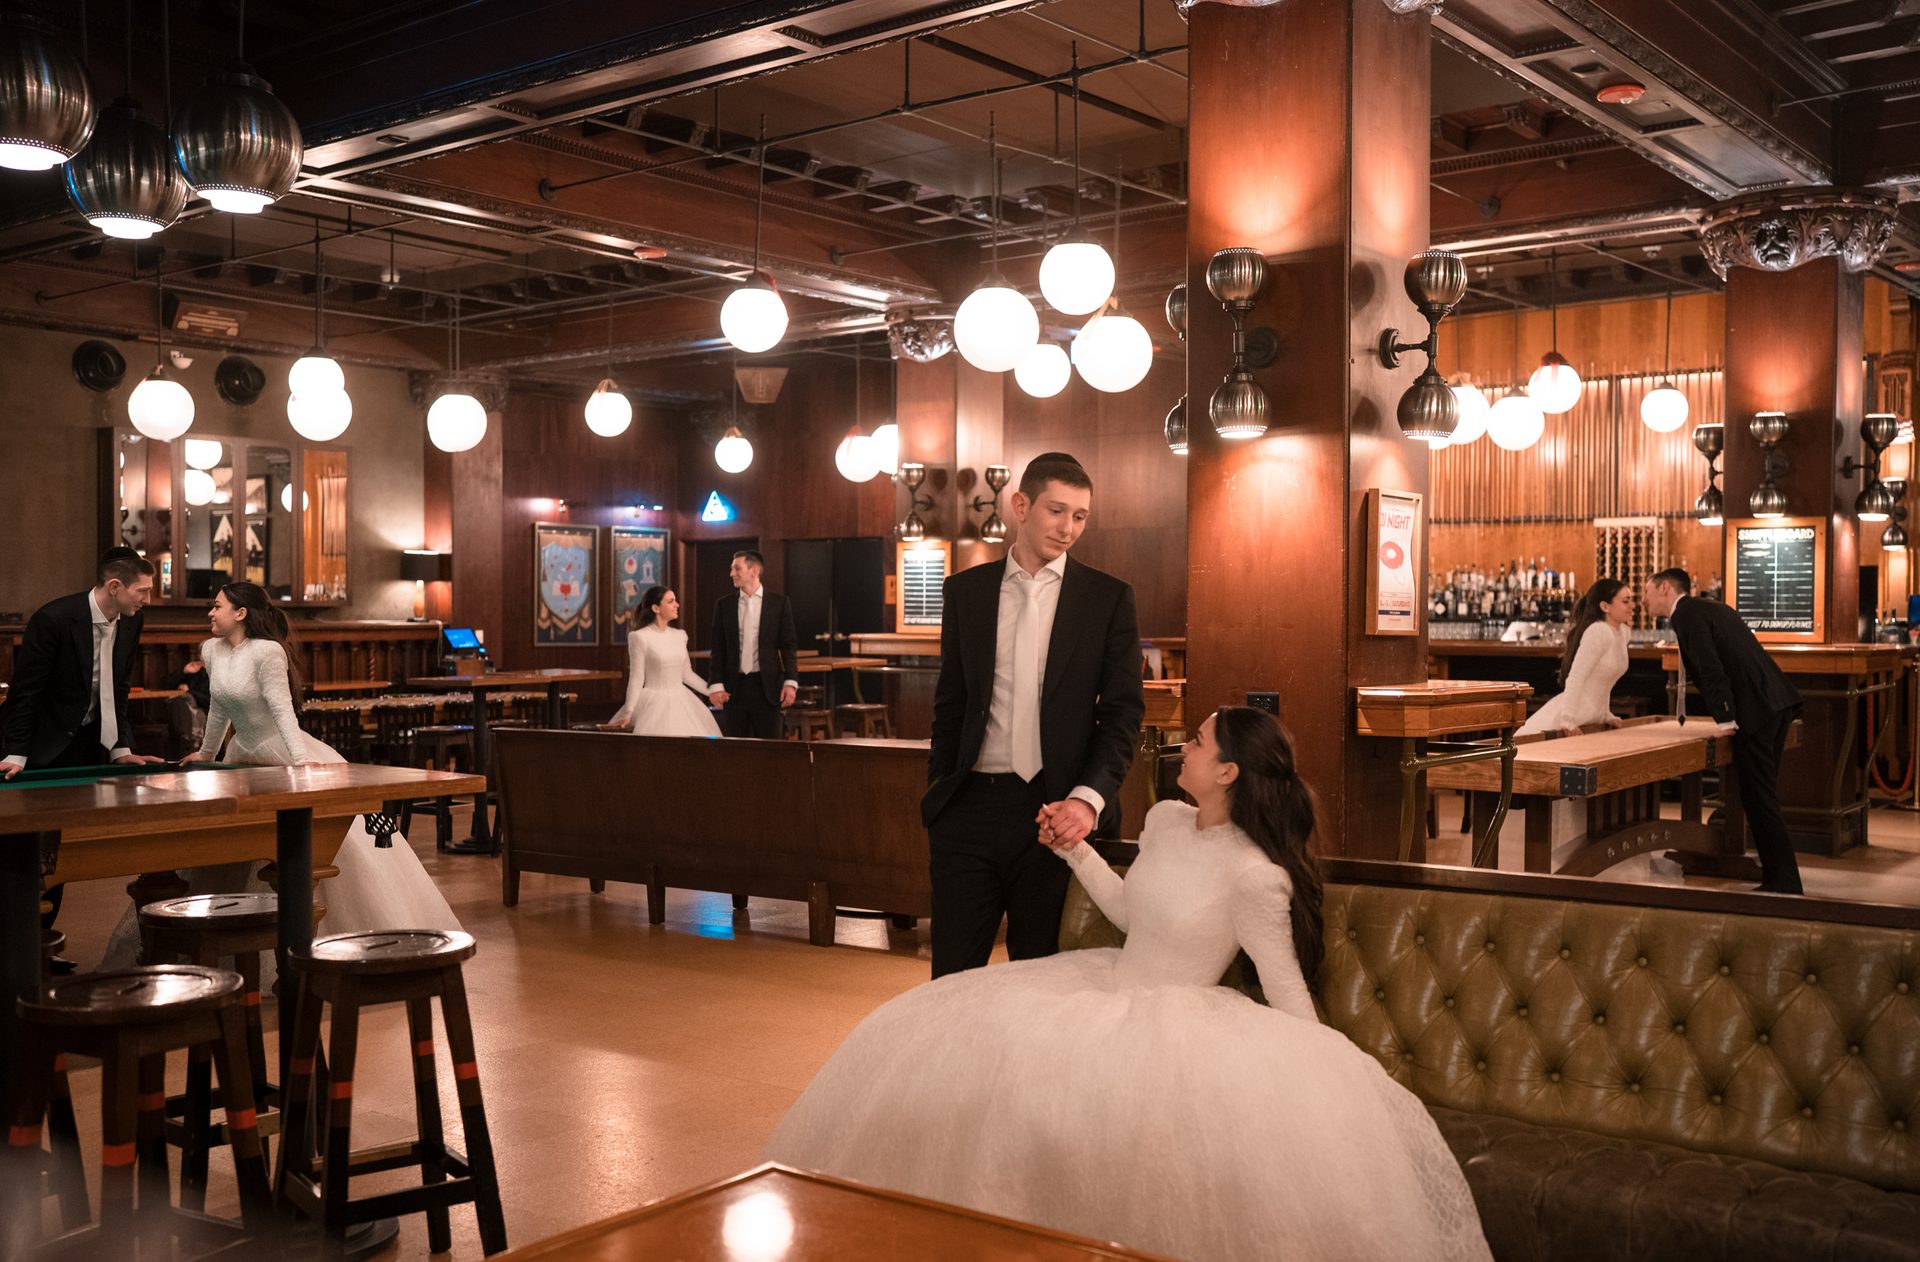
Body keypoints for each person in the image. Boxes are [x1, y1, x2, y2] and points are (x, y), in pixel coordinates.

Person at [767, 708, 1492, 1262]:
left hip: (1180, 1018)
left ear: (1231, 772)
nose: (1189, 746)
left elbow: (1285, 990)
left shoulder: (1255, 876)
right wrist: (1075, 849)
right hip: (1101, 986)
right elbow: (1124, 912)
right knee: (962, 1058)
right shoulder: (1168, 821)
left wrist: (1331, 1077)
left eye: (1203, 742)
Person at [923, 451, 1144, 978]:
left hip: (1056, 816)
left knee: (1043, 982)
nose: (1068, 529)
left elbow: (1121, 714)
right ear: (1021, 505)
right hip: (968, 812)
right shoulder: (966, 593)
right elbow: (950, 706)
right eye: (1057, 511)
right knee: (951, 981)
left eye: (1080, 517)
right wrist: (940, 797)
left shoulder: (1108, 599)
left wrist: (1087, 802)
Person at [174, 582, 461, 935]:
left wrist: (299, 759)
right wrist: (206, 753)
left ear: (241, 613)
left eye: (217, 606)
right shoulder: (212, 650)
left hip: (279, 751)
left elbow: (283, 711)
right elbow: (219, 707)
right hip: (242, 756)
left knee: (312, 840)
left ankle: (313, 932)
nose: (210, 612)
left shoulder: (267, 653)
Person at [2, 548, 164, 967]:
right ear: (115, 587)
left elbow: (120, 688)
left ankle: (39, 948)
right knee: (33, 848)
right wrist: (16, 754)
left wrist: (122, 748)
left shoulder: (133, 621)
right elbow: (26, 693)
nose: (147, 599)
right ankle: (22, 952)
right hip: (42, 747)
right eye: (142, 591)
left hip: (90, 743)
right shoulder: (54, 618)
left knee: (60, 853)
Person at [1644, 567, 1805, 893]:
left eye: (1647, 592)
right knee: (1760, 797)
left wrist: (1727, 719)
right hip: (1775, 703)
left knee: (1759, 798)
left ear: (1664, 588)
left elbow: (1709, 666)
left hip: (1756, 710)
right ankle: (1778, 877)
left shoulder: (1686, 615)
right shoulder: (1710, 607)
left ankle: (1785, 882)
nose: (1643, 600)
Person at [1517, 578, 1634, 737]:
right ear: (1605, 606)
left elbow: (1605, 679)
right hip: (1574, 714)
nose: (1632, 606)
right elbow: (1576, 677)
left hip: (1593, 717)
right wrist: (1567, 719)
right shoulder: (1598, 631)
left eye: (1631, 600)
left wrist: (1605, 714)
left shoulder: (1623, 633)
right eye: (1626, 601)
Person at [707, 550, 799, 740]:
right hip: (734, 688)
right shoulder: (724, 605)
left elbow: (788, 646)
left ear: (754, 570)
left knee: (770, 747)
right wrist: (715, 684)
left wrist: (791, 682)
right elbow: (718, 648)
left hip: (767, 687)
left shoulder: (779, 603)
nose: (731, 573)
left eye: (737, 568)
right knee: (736, 748)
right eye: (732, 568)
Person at [609, 586, 722, 738]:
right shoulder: (639, 637)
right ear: (656, 608)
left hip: (682, 700)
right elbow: (637, 678)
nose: (677, 605)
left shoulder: (680, 635)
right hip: (654, 702)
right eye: (671, 601)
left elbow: (687, 674)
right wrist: (629, 710)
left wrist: (712, 692)